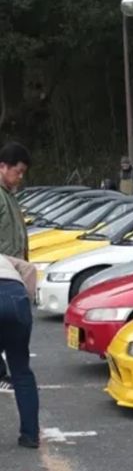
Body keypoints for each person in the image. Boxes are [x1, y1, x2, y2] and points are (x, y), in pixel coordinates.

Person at [0, 254, 39, 447]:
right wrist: (26, 301)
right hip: (16, 298)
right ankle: (30, 436)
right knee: (21, 371)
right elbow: (30, 268)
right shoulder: (3, 258)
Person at [0, 142, 31, 389]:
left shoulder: (9, 195)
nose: (20, 177)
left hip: (13, 274)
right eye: (17, 171)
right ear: (3, 167)